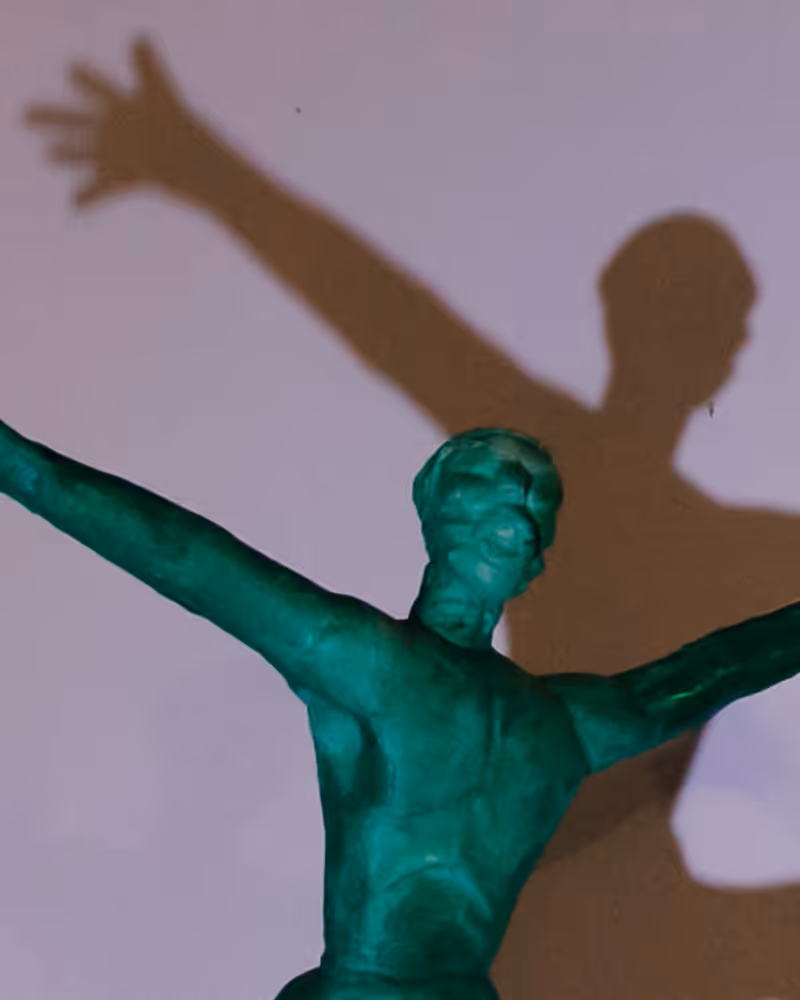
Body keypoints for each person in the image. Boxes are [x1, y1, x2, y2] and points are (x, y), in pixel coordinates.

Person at [1, 417, 800, 1000]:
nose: (520, 511)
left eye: (537, 504)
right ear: (437, 518)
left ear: (539, 556)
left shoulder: (557, 721)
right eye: (495, 488)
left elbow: (717, 670)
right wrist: (22, 468)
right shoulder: (371, 665)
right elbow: (187, 557)